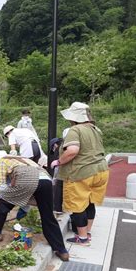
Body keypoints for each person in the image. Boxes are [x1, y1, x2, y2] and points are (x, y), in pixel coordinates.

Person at [0, 151, 69, 261]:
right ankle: (61, 250)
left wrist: (8, 202)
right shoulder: (23, 159)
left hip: (28, 180)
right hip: (46, 181)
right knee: (48, 216)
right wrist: (24, 207)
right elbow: (30, 191)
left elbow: (2, 187)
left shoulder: (2, 161)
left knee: (2, 199)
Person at [51, 102, 109, 246]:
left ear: (74, 117)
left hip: (81, 172)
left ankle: (82, 238)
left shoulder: (75, 130)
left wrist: (58, 161)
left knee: (77, 205)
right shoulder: (96, 129)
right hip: (101, 171)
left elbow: (72, 151)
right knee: (89, 202)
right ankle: (87, 232)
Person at [49, 137, 64, 214]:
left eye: (53, 148)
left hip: (63, 173)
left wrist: (54, 180)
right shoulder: (65, 146)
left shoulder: (60, 149)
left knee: (58, 187)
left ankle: (57, 208)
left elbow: (57, 171)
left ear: (55, 144)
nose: (54, 150)